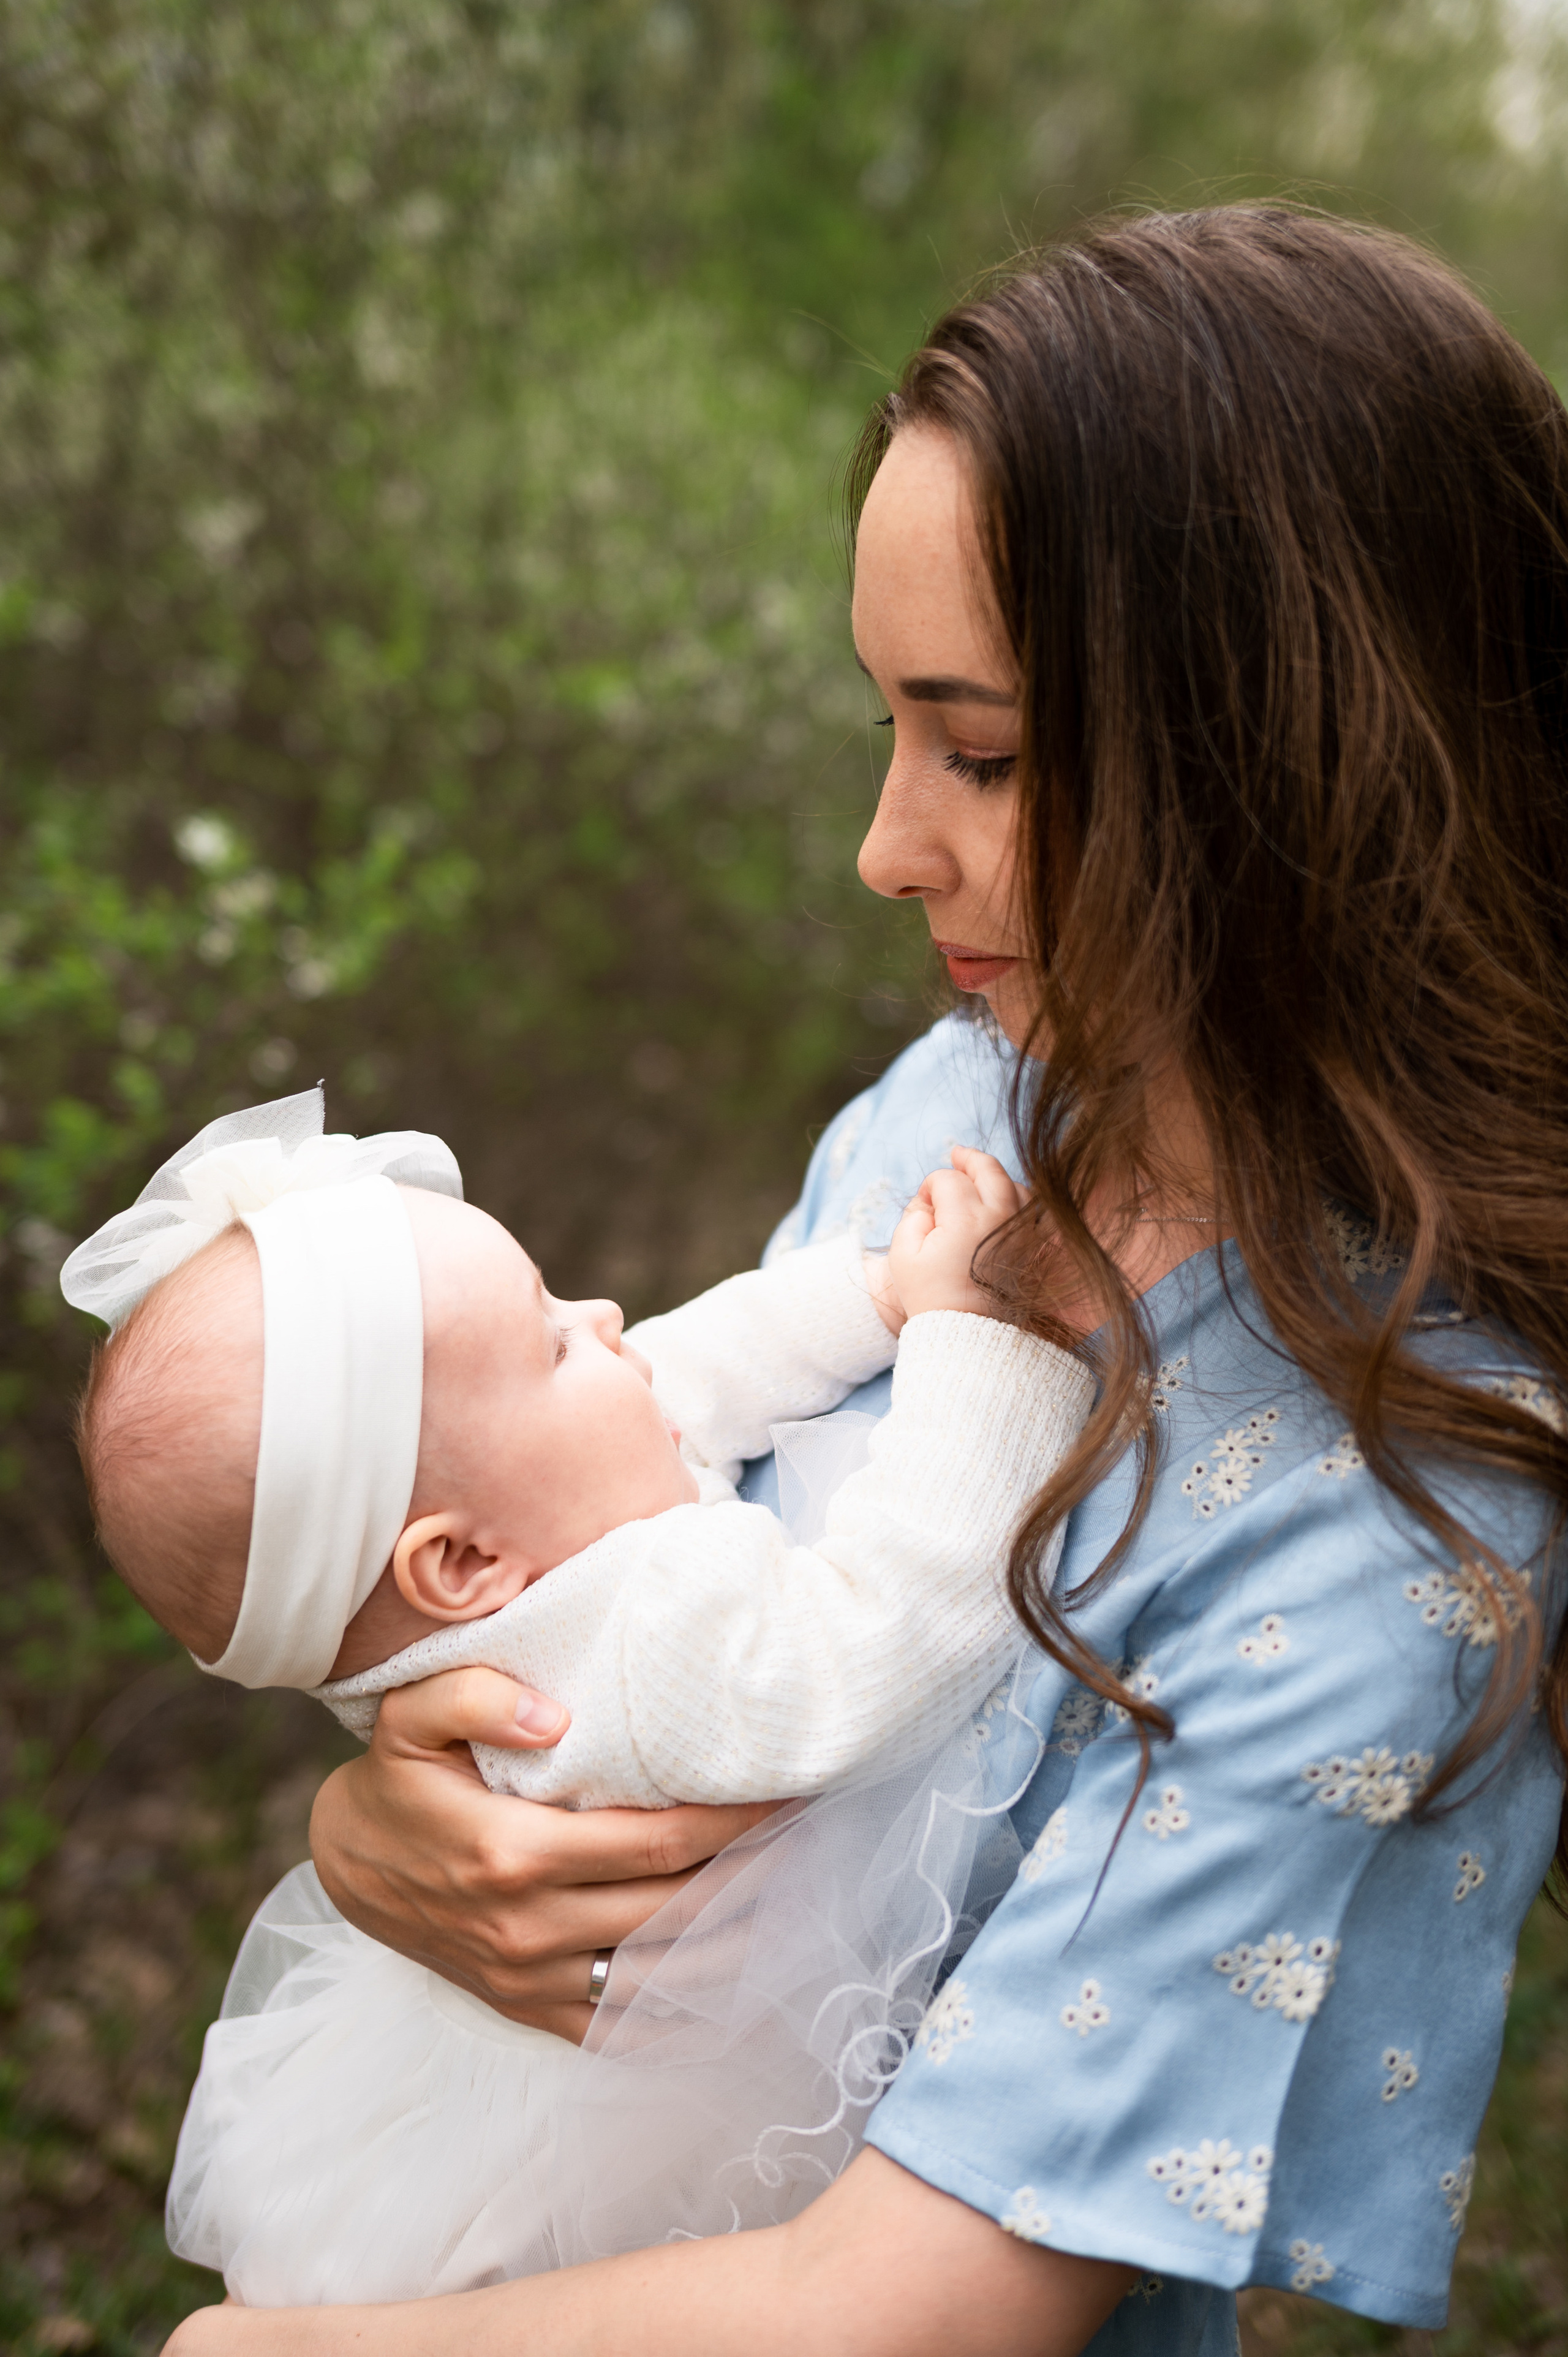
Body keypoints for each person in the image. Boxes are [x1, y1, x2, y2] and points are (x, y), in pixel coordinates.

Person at [162, 205, 1568, 2357]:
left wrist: (241, 2350)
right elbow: (634, 1578)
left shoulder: (1398, 1516)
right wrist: (402, 1817)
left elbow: (912, 2297)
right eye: (889, 728)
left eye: (978, 749)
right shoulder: (963, 1103)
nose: (886, 844)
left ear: (1285, 762)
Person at [65, 1104, 1091, 2301]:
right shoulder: (631, 1659)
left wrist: (875, 1294)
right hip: (605, 2193)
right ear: (458, 1561)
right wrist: (980, 1340)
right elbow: (886, 1631)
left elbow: (685, 1371)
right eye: (552, 1340)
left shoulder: (517, 1582)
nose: (605, 1318)